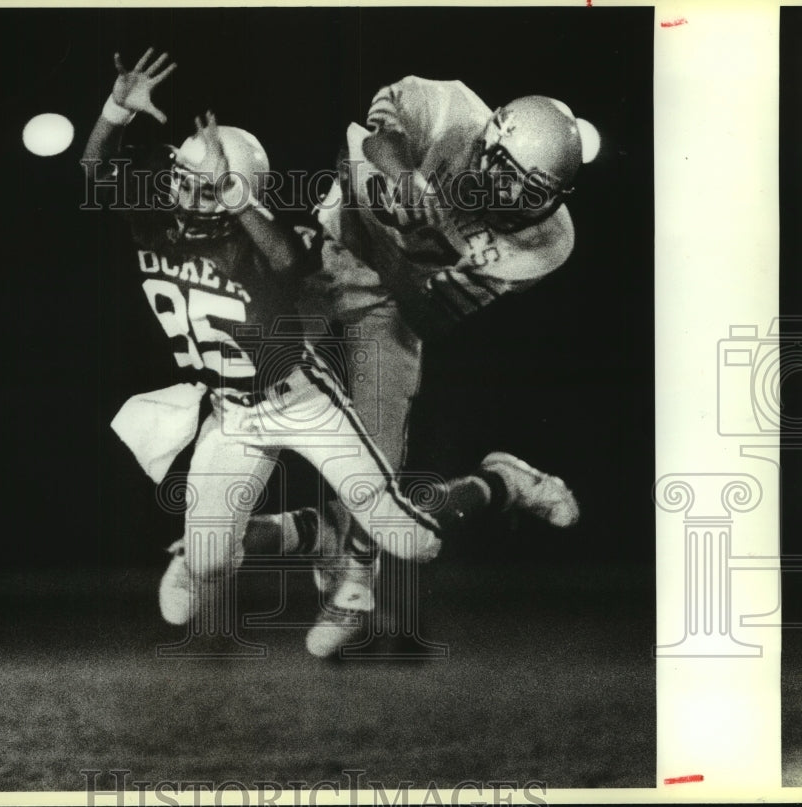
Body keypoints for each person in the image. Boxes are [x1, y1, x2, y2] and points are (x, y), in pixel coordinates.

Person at [82, 49, 449, 632]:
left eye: (210, 194)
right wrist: (114, 111)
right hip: (231, 415)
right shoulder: (153, 217)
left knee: (408, 541)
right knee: (206, 561)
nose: (188, 202)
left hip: (301, 401)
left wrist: (237, 197)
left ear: (239, 197)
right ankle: (289, 541)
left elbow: (288, 260)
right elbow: (97, 172)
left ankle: (406, 521)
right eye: (185, 185)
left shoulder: (260, 238)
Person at [244, 76, 588, 657]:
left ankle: (355, 578)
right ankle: (498, 485)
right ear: (487, 139)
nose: (508, 199)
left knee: (374, 475)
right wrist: (404, 179)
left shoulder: (545, 244)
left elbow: (426, 312)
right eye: (504, 174)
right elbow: (370, 145)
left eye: (530, 194)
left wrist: (413, 228)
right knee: (246, 391)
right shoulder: (444, 104)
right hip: (327, 259)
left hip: (392, 299)